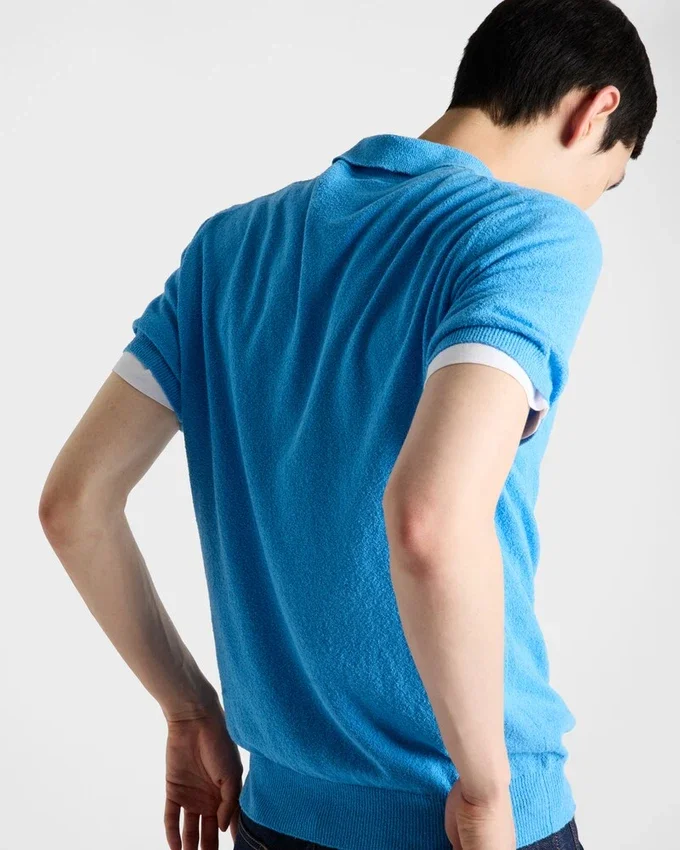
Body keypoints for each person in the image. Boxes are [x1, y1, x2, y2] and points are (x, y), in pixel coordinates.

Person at [38, 0, 656, 848]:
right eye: (607, 180)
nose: (590, 204)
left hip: (276, 816)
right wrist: (484, 789)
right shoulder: (534, 234)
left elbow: (73, 504)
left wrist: (187, 710)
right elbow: (430, 520)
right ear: (595, 111)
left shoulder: (227, 248)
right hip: (461, 817)